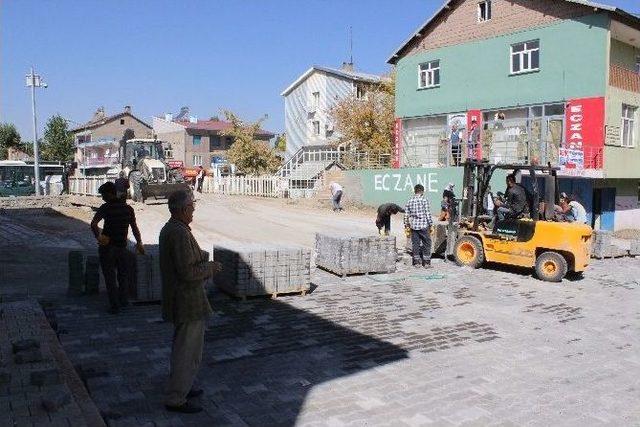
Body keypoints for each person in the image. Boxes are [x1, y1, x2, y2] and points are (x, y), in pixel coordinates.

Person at [159, 190, 222, 414]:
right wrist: (211, 267)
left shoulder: (175, 229)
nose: (194, 210)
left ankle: (183, 386)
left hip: (183, 299)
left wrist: (201, 257)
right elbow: (187, 272)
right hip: (187, 301)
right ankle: (176, 397)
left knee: (183, 348)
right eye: (192, 207)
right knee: (188, 352)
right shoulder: (178, 233)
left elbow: (185, 261)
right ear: (183, 209)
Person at [90, 181, 144, 314]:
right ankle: (123, 301)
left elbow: (93, 224)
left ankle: (115, 306)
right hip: (122, 248)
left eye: (103, 195)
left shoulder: (106, 208)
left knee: (110, 278)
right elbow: (134, 228)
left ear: (109, 194)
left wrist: (99, 237)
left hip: (107, 248)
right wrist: (139, 242)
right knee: (122, 276)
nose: (102, 197)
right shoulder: (128, 209)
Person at [404, 184, 434, 269]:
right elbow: (427, 214)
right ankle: (426, 263)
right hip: (424, 225)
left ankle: (416, 263)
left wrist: (406, 225)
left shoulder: (410, 201)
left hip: (414, 226)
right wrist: (431, 224)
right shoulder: (424, 200)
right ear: (422, 191)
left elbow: (406, 215)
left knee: (415, 244)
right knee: (427, 243)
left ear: (415, 191)